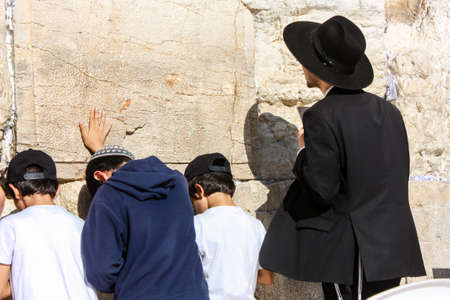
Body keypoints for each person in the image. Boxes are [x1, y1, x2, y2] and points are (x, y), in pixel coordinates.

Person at [258, 15, 425, 299]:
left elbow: (322, 189)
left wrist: (302, 152)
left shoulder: (321, 115)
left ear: (316, 67)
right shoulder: (389, 112)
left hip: (353, 251)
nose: (301, 66)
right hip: (392, 246)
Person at [79, 110, 209, 299]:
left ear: (100, 177)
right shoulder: (177, 183)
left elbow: (101, 272)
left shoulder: (108, 193)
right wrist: (100, 152)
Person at [0, 149, 97, 300]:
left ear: (15, 191)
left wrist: (23, 278)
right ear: (57, 190)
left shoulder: (9, 227)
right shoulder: (82, 226)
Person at [184, 153, 273, 300]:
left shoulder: (197, 225)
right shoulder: (256, 226)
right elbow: (267, 278)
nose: (195, 209)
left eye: (193, 202)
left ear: (199, 190)